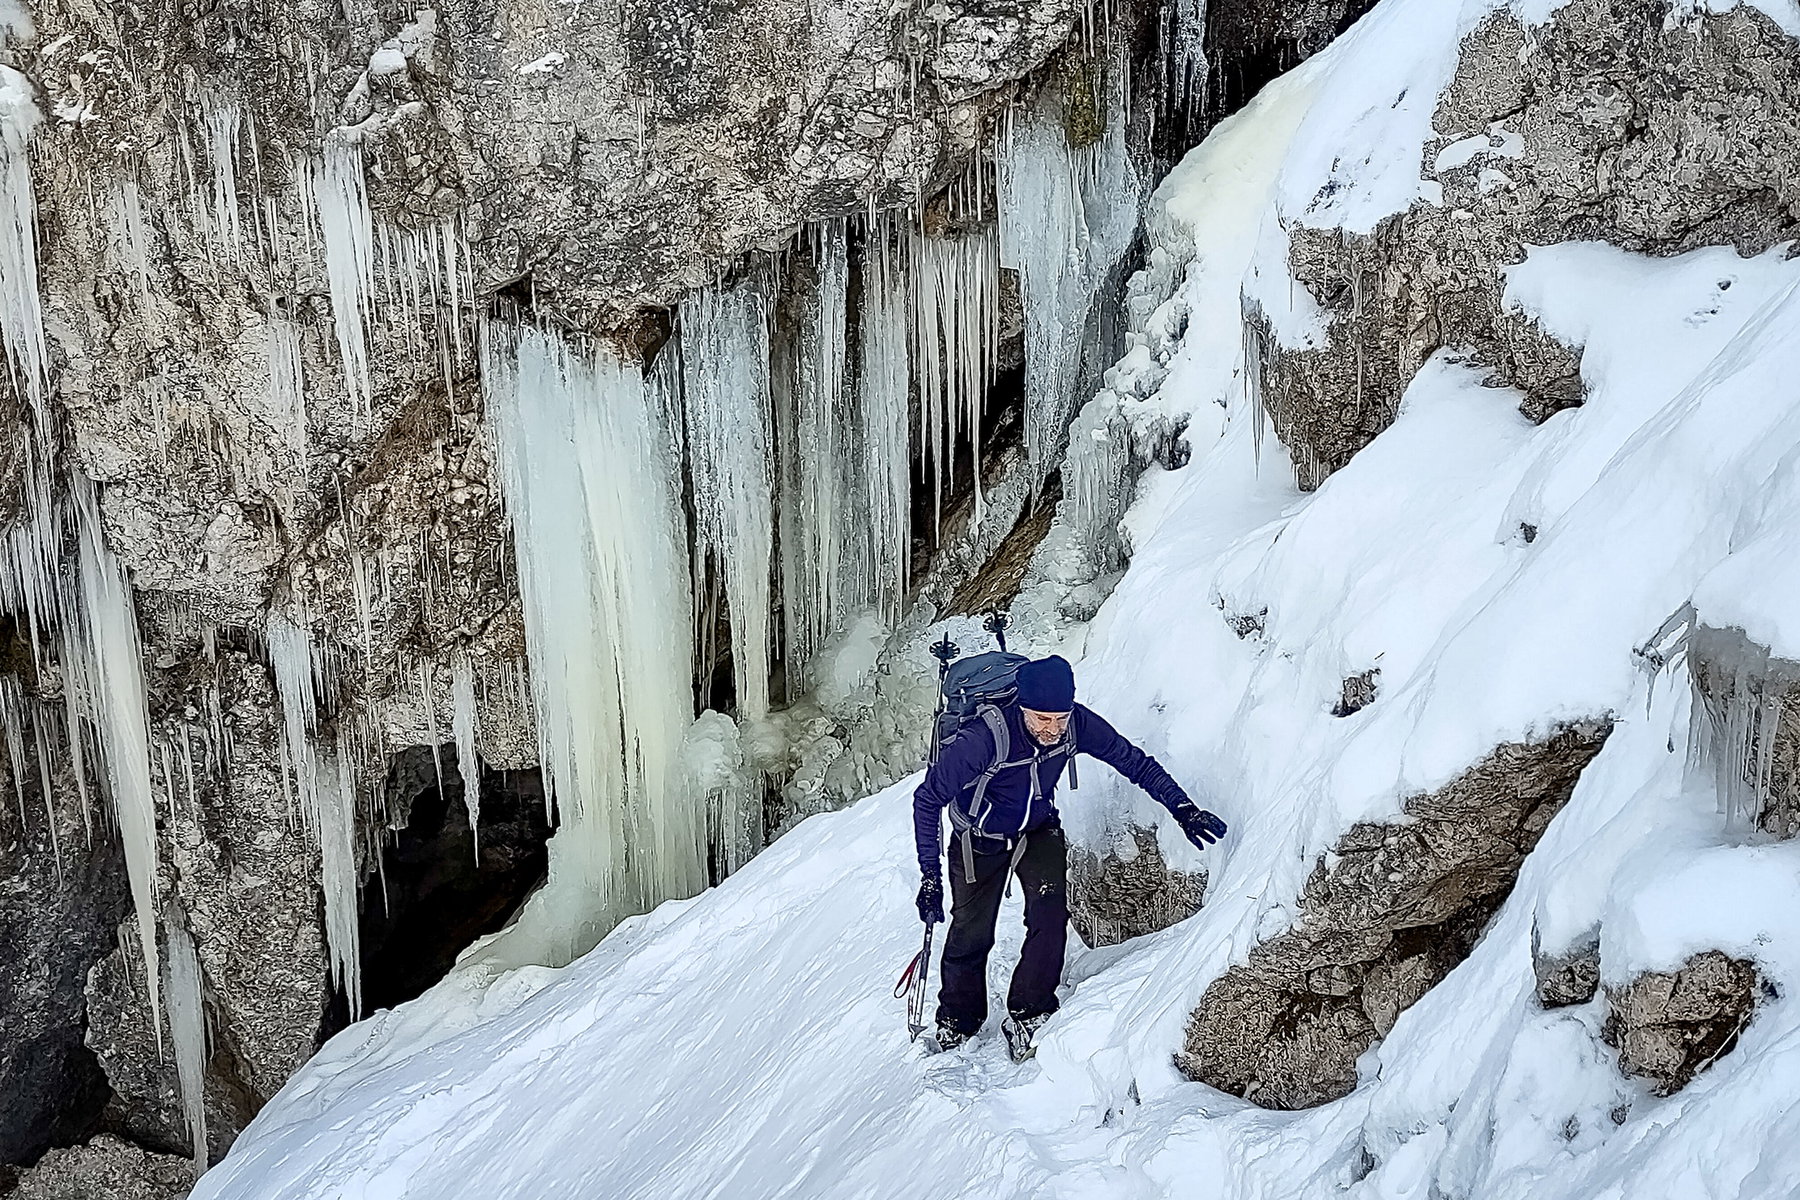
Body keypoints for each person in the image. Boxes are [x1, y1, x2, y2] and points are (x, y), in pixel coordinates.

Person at [911, 654, 1227, 1060]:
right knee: (971, 933)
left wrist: (1183, 809)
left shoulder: (1076, 723)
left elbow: (1133, 762)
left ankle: (1030, 1010)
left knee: (1049, 917)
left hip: (1038, 828)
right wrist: (930, 877)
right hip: (980, 836)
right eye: (1042, 719)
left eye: (1059, 719)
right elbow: (927, 800)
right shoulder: (984, 739)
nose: (1053, 730)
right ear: (1022, 708)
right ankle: (958, 1018)